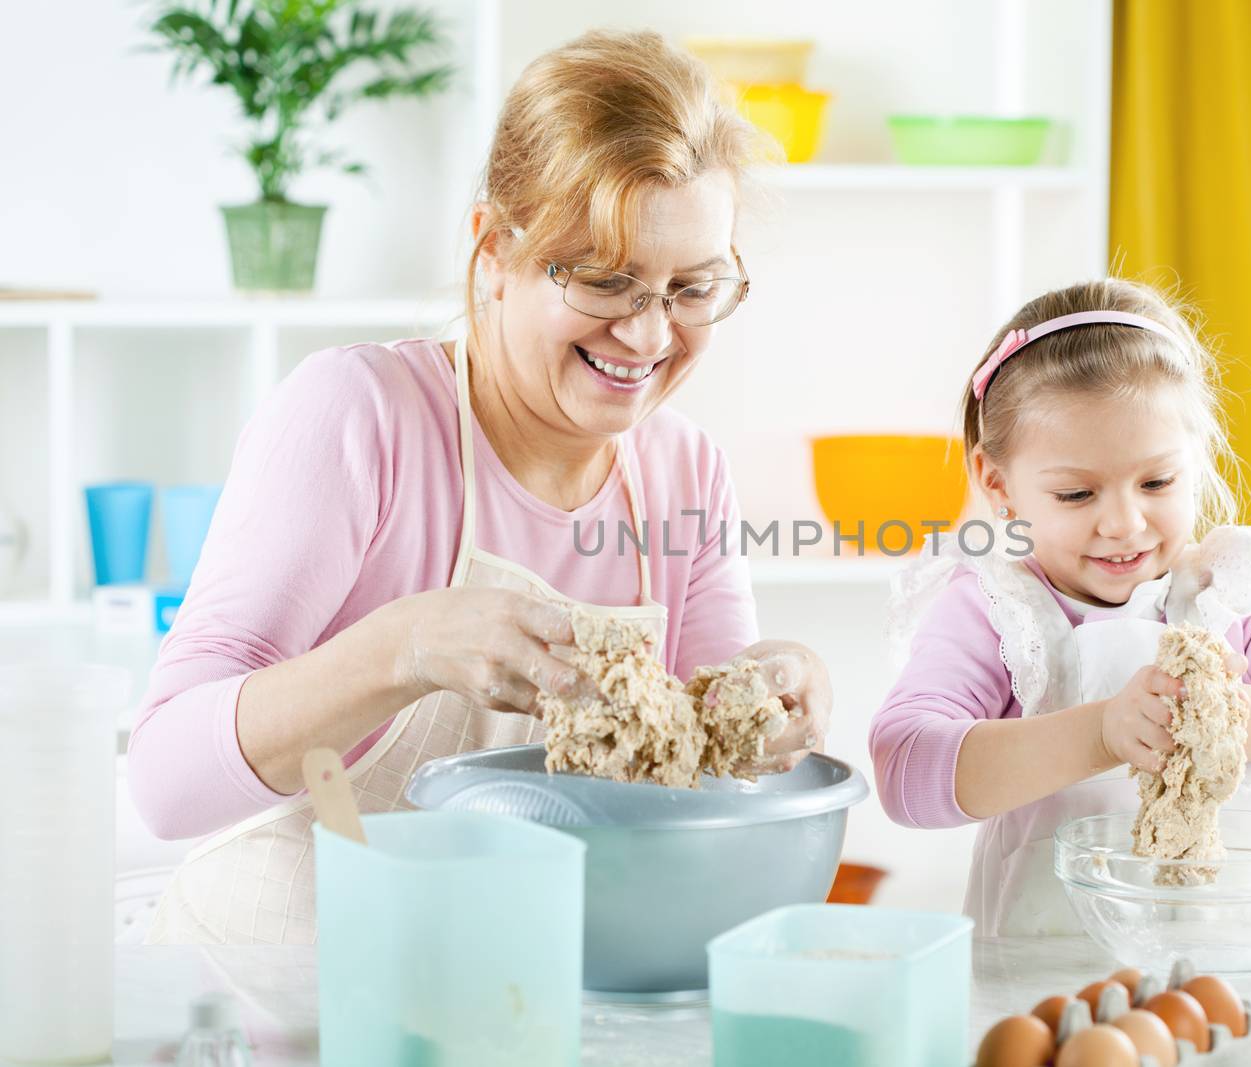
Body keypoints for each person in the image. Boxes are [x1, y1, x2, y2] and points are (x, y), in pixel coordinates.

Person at [129, 30, 832, 944]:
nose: (651, 335)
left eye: (693, 287)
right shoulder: (360, 414)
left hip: (509, 994)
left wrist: (775, 705)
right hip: (280, 985)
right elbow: (163, 781)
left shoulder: (684, 471)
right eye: (606, 279)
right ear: (495, 250)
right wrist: (402, 648)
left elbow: (713, 802)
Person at [869, 278, 1251, 937]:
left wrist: (1214, 715)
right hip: (1040, 980)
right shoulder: (994, 609)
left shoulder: (1231, 593)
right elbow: (904, 769)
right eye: (1076, 493)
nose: (1124, 523)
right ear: (998, 484)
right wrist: (1102, 732)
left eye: (1157, 481)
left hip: (1230, 966)